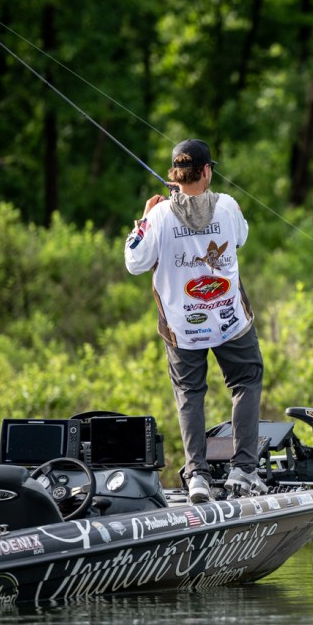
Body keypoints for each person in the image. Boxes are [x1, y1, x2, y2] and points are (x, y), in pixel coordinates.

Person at [124, 138, 267, 503]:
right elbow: (242, 236)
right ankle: (243, 470)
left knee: (190, 394)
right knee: (246, 380)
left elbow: (134, 262)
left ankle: (198, 477)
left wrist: (145, 218)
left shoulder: (157, 216)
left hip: (182, 326)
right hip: (229, 319)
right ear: (205, 171)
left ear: (175, 175)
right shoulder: (228, 206)